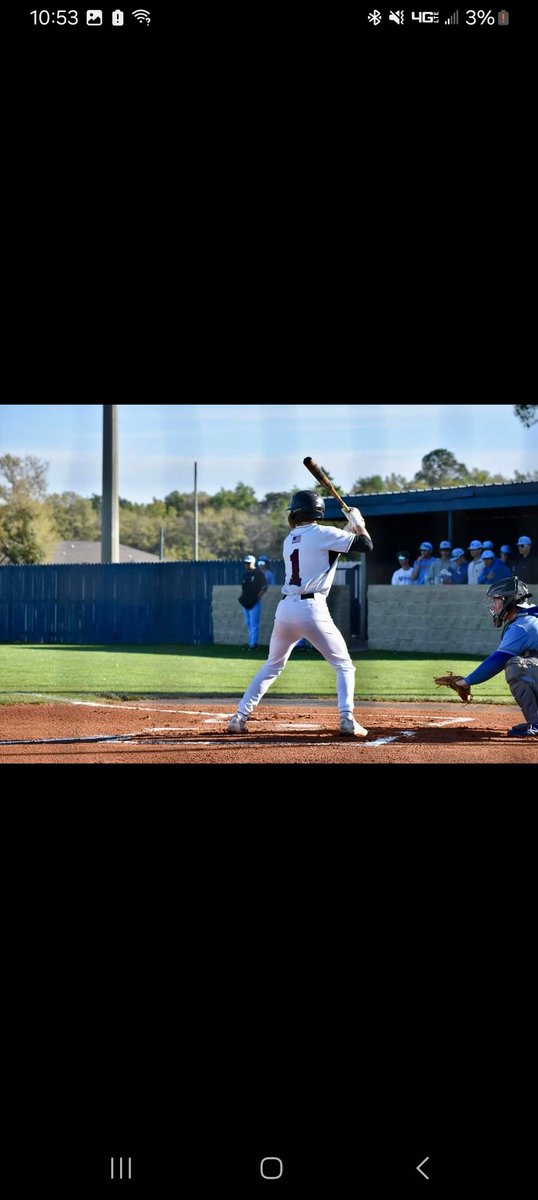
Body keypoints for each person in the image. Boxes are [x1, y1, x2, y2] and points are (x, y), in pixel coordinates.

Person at [227, 489, 373, 737]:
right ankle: (347, 719)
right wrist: (359, 524)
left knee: (272, 665)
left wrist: (351, 527)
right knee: (344, 665)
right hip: (312, 608)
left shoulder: (290, 538)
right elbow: (366, 545)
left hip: (286, 609)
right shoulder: (324, 533)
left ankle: (239, 717)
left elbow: (331, 551)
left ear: (297, 512)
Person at [443, 577, 538, 737]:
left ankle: (536, 723)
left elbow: (497, 660)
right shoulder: (529, 615)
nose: (493, 607)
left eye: (497, 601)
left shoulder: (522, 626)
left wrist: (466, 681)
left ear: (509, 601)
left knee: (517, 667)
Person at [238, 555, 267, 649]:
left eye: (248, 563)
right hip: (246, 603)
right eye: (245, 563)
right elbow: (243, 589)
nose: (246, 565)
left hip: (255, 603)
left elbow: (264, 587)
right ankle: (250, 642)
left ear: (253, 563)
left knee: (254, 624)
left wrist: (256, 598)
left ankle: (253, 644)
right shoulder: (245, 575)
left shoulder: (259, 574)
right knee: (248, 623)